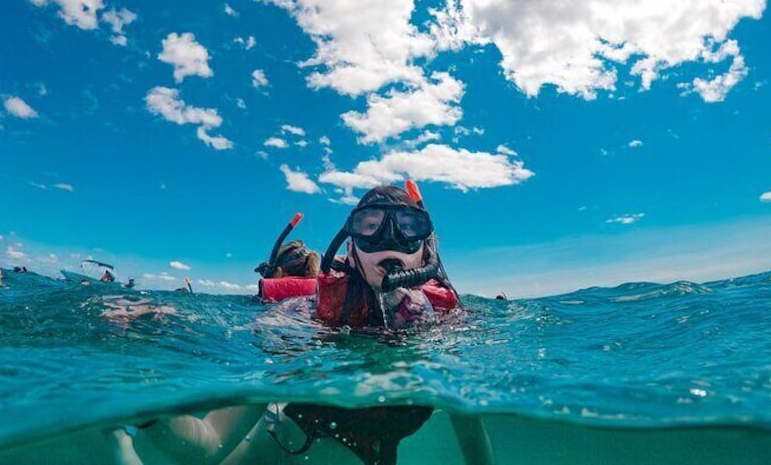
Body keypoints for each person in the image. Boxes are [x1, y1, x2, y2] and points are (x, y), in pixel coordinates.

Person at [116, 184, 492, 465]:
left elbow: (472, 435)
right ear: (349, 250)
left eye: (408, 227)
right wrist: (149, 370)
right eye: (370, 226)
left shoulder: (448, 326)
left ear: (427, 250)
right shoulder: (305, 315)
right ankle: (118, 436)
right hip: (283, 441)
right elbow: (206, 445)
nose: (387, 240)